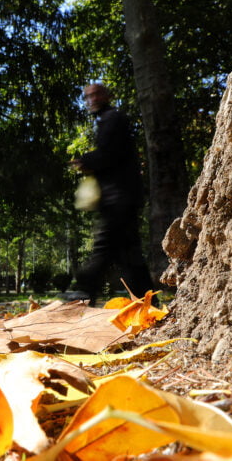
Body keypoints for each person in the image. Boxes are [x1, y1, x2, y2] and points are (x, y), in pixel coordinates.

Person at [69, 83, 155, 303]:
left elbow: (109, 155)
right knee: (129, 255)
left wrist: (85, 161)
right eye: (88, 96)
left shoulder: (113, 119)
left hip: (119, 198)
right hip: (122, 197)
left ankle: (83, 293)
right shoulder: (109, 120)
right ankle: (147, 301)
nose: (93, 99)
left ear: (107, 96)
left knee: (104, 247)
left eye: (96, 94)